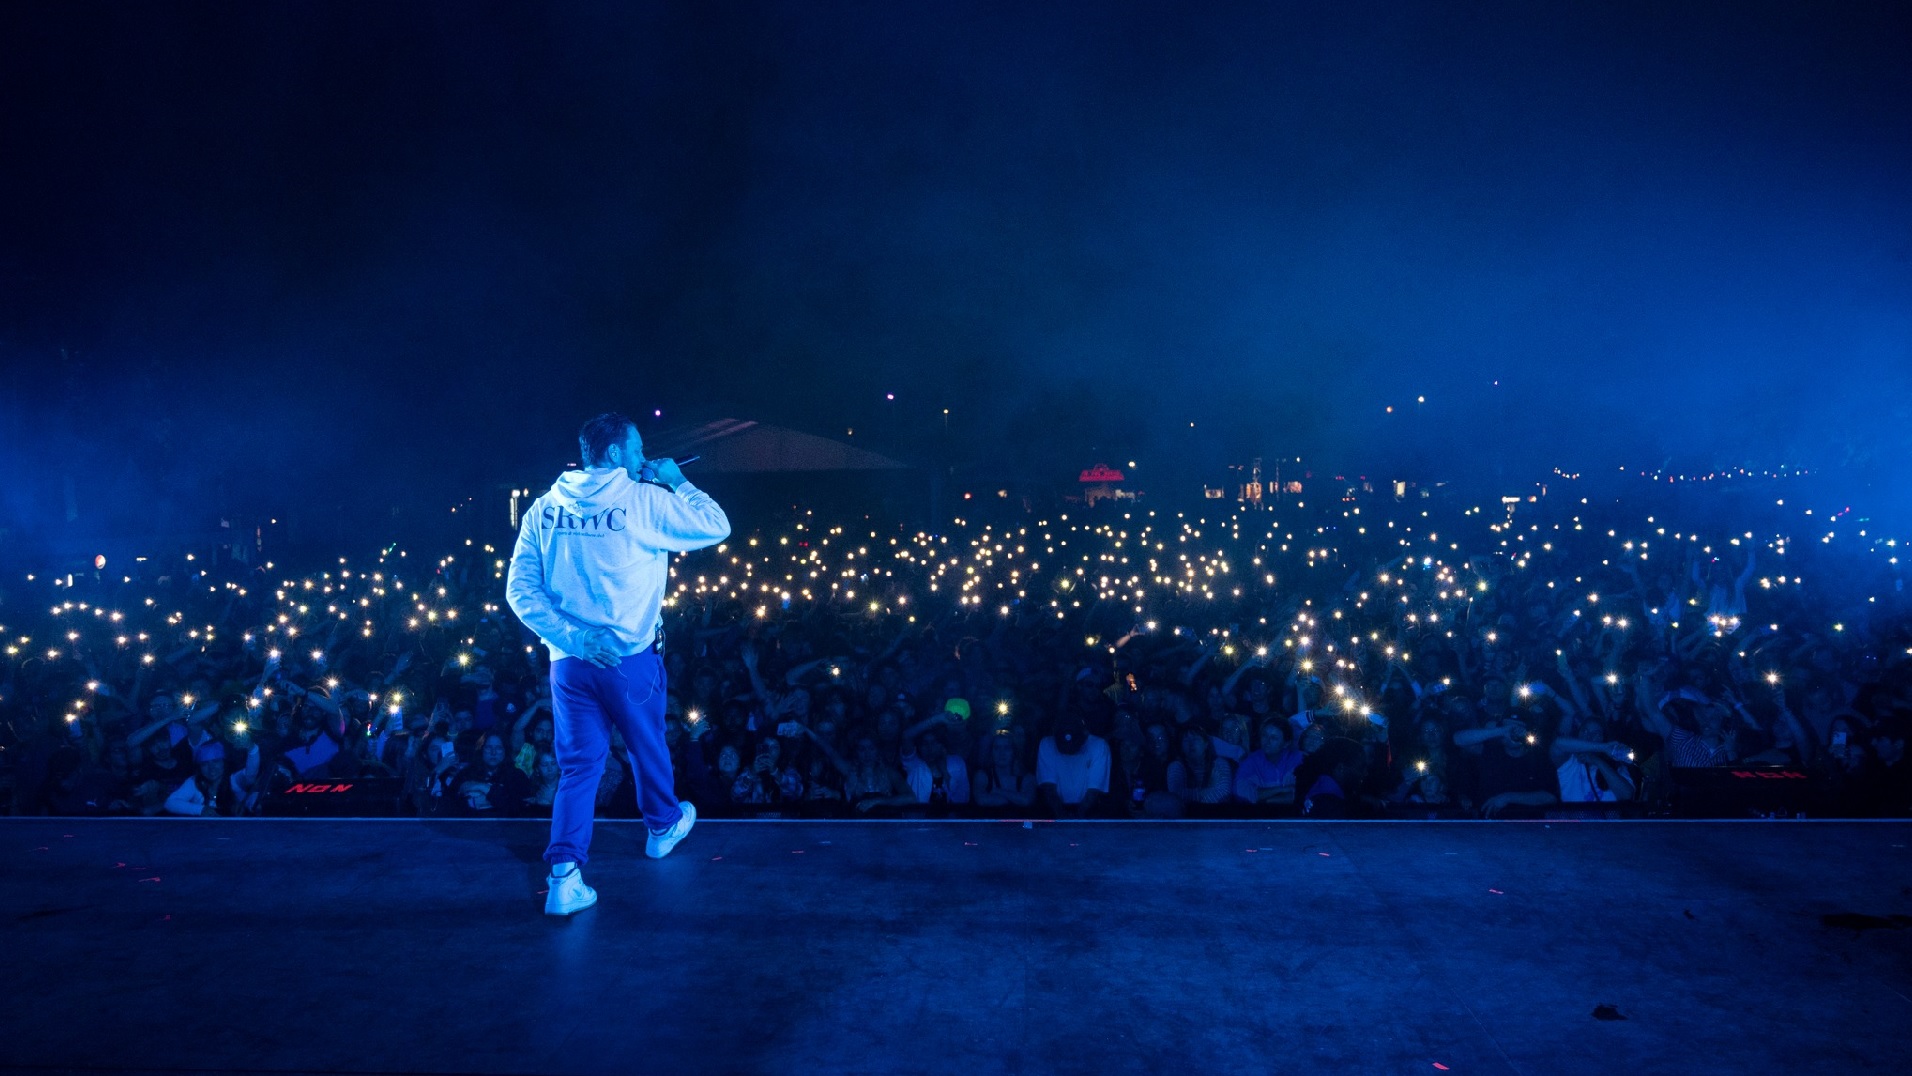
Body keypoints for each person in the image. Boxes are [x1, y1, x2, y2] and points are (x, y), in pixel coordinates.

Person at [506, 412, 731, 916]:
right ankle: (662, 826)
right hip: (629, 661)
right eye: (637, 450)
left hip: (569, 664)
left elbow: (519, 590)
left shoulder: (544, 509)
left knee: (579, 767)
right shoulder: (645, 499)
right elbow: (717, 526)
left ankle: (563, 877)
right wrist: (677, 481)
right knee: (646, 744)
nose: (643, 458)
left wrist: (574, 638)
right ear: (613, 454)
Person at [1036, 712, 1110, 818]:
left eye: (1073, 745)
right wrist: (1061, 816)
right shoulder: (1047, 744)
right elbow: (1048, 788)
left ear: (1084, 735)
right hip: (1054, 812)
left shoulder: (1099, 746)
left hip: (1089, 812)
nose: (1068, 749)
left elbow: (1094, 791)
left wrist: (1077, 819)